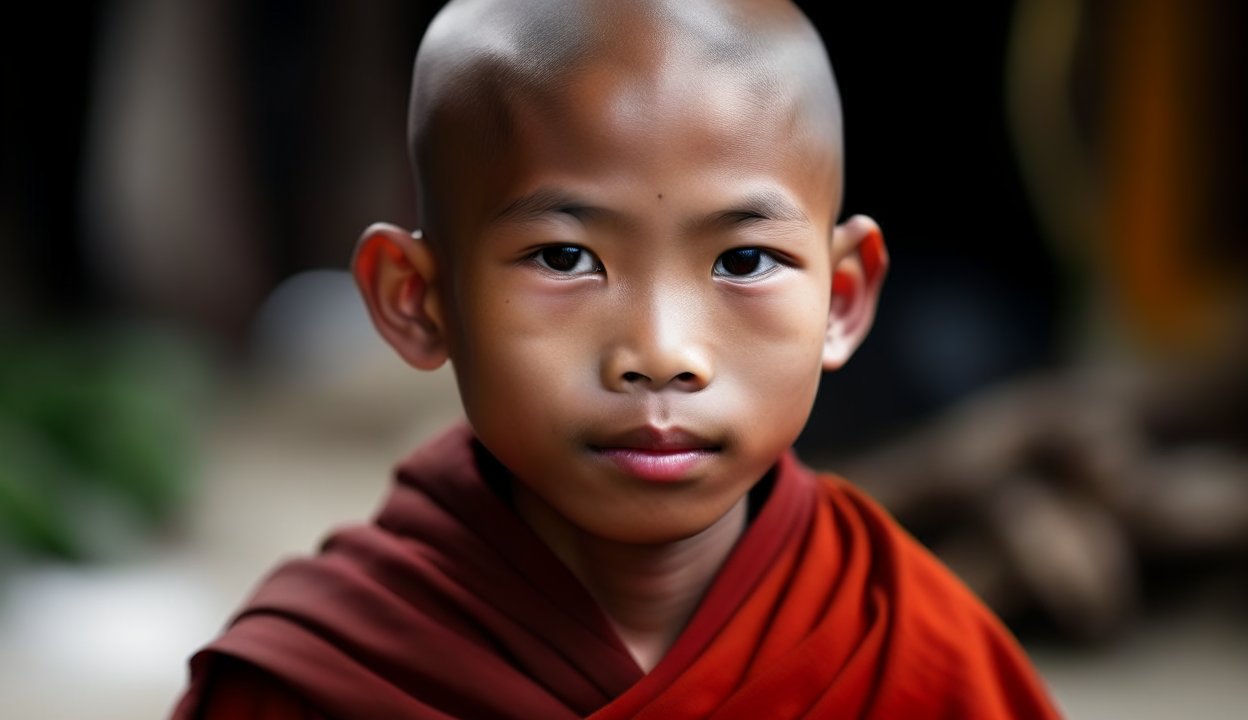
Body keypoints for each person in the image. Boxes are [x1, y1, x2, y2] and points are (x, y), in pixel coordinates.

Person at [170, 0, 1064, 717]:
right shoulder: (315, 679)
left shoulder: (913, 651)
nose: (662, 355)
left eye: (744, 262)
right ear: (416, 300)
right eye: (565, 258)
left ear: (842, 299)